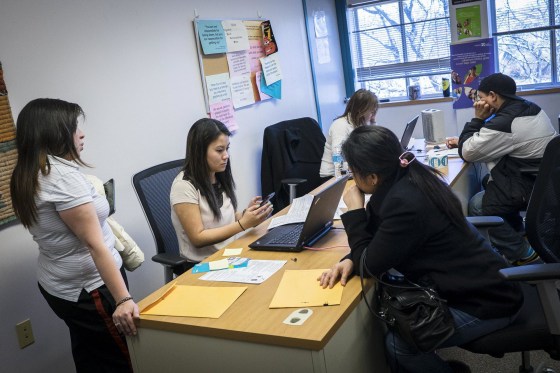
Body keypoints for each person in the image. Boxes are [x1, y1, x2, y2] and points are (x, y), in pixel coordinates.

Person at [319, 126, 523, 373]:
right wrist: (352, 257)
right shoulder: (409, 177)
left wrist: (354, 213)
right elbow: (379, 239)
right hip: (478, 281)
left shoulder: (404, 203)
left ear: (372, 177)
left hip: (488, 301)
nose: (352, 178)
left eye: (353, 171)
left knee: (398, 345)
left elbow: (369, 265)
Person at [10, 98, 138, 372]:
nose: (81, 134)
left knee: (91, 355)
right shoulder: (61, 178)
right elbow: (94, 245)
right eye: (73, 128)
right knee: (123, 360)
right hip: (90, 288)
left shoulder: (27, 171)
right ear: (53, 133)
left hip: (59, 284)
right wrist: (123, 299)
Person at [446, 73, 557, 265]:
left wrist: (478, 119)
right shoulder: (529, 108)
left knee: (477, 205)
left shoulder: (506, 123)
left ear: (493, 96)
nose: (479, 103)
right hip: (543, 180)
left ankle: (524, 254)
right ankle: (519, 235)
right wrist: (467, 140)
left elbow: (469, 153)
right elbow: (496, 139)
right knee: (485, 182)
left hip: (530, 184)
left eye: (480, 98)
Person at [171, 118, 273, 268]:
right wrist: (243, 224)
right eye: (219, 150)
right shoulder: (183, 186)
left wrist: (247, 215)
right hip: (203, 264)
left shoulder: (217, 174)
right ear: (200, 152)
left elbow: (224, 217)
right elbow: (197, 237)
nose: (226, 155)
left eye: (227, 149)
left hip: (230, 254)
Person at [319, 88, 379, 177]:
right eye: (371, 111)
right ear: (361, 110)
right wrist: (342, 173)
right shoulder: (340, 125)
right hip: (332, 176)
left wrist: (373, 122)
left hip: (349, 172)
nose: (373, 114)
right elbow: (336, 154)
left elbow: (374, 141)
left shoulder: (358, 124)